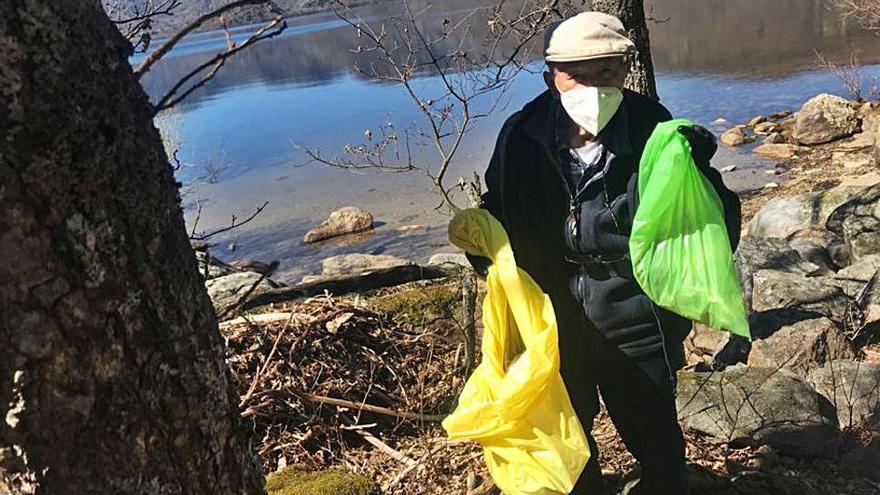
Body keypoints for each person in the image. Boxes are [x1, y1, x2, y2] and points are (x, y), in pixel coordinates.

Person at [467, 11, 742, 495]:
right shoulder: (523, 136)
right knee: (568, 444)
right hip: (553, 324)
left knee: (655, 438)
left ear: (623, 69)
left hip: (635, 317)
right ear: (551, 77)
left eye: (607, 72)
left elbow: (711, 226)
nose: (593, 88)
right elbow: (500, 204)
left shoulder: (651, 130)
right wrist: (483, 246)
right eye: (577, 74)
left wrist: (700, 176)